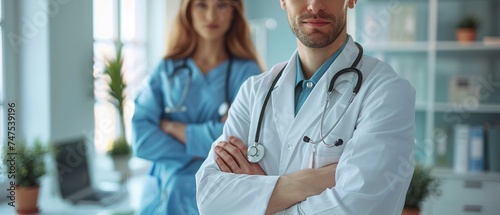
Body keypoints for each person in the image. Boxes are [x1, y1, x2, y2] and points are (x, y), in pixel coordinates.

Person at [195, 0, 416, 214]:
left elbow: (360, 208)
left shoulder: (386, 91)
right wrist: (305, 183)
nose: (314, 6)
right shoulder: (254, 91)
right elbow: (210, 199)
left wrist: (258, 199)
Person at [131, 0, 263, 214]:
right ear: (188, 11)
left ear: (234, 13)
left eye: (221, 5)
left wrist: (173, 128)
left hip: (214, 193)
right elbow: (142, 140)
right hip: (160, 195)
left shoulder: (247, 73)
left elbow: (242, 140)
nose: (211, 16)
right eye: (201, 5)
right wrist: (208, 144)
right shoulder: (167, 69)